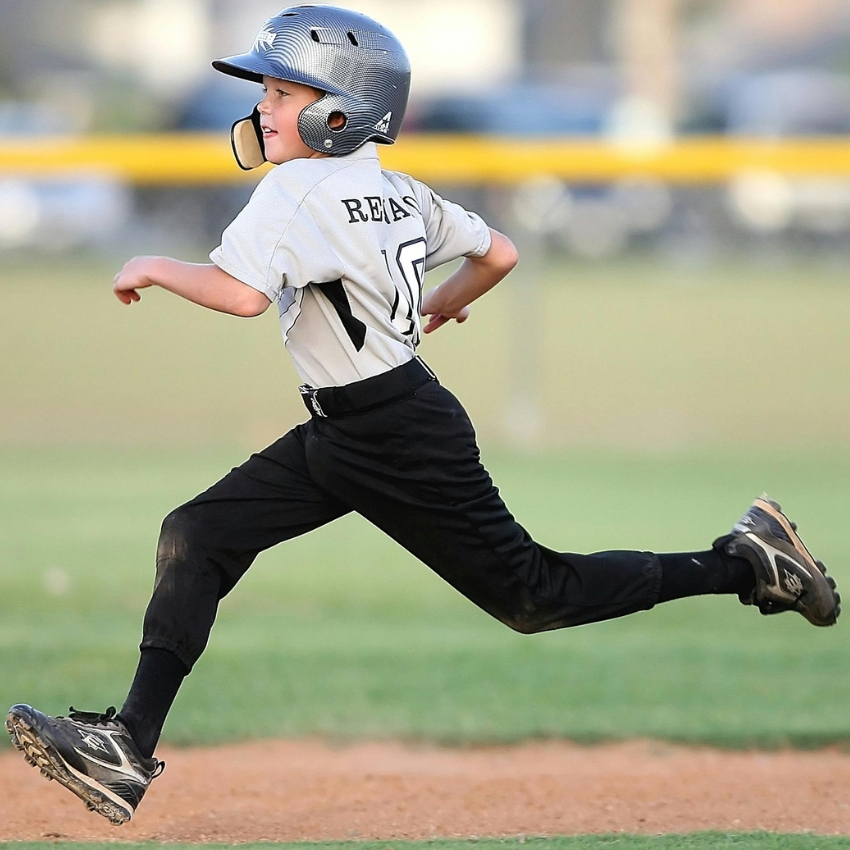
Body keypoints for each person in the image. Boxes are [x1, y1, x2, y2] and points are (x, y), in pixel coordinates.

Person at [5, 4, 840, 827]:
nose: (263, 102)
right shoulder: (395, 187)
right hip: (364, 423)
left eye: (283, 90)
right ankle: (125, 745)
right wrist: (438, 304)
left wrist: (154, 262)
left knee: (534, 595)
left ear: (341, 110)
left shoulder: (294, 189)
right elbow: (499, 252)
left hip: (394, 436)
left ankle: (745, 562)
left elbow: (242, 297)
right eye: (266, 87)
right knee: (198, 533)